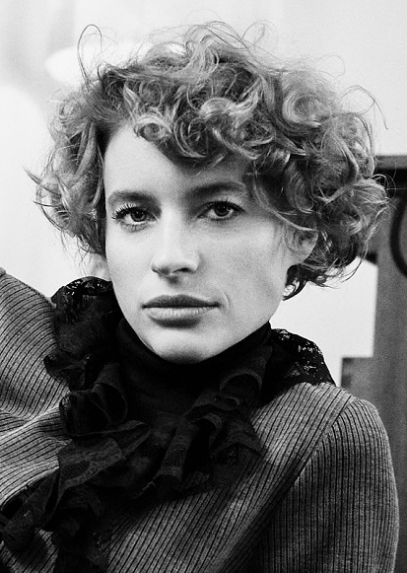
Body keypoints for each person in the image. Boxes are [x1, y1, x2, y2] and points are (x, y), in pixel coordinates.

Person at [0, 22, 399, 573]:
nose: (170, 258)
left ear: (302, 230)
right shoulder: (15, 336)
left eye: (219, 210)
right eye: (134, 214)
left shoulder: (323, 438)